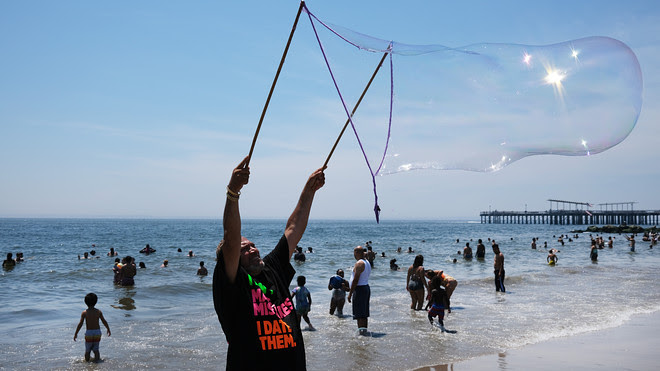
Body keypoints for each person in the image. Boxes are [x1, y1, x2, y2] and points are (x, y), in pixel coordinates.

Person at [213, 156, 325, 369]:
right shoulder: (232, 283)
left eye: (253, 245)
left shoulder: (272, 268)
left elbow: (293, 228)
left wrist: (310, 190)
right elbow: (230, 239)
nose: (253, 249)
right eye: (244, 249)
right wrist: (233, 192)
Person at [73, 293, 111, 363]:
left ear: (85, 302)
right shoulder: (98, 312)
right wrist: (108, 329)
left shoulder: (84, 313)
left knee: (88, 350)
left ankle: (87, 363)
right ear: (96, 302)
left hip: (89, 333)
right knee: (96, 349)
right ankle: (97, 362)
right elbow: (104, 321)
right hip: (97, 332)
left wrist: (76, 333)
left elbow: (80, 324)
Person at [348, 246, 371, 336]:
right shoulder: (366, 262)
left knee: (359, 314)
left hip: (360, 289)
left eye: (354, 252)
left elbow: (356, 280)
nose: (353, 254)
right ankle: (364, 331)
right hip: (365, 287)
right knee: (364, 313)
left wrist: (350, 293)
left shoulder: (359, 263)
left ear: (357, 253)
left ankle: (361, 333)